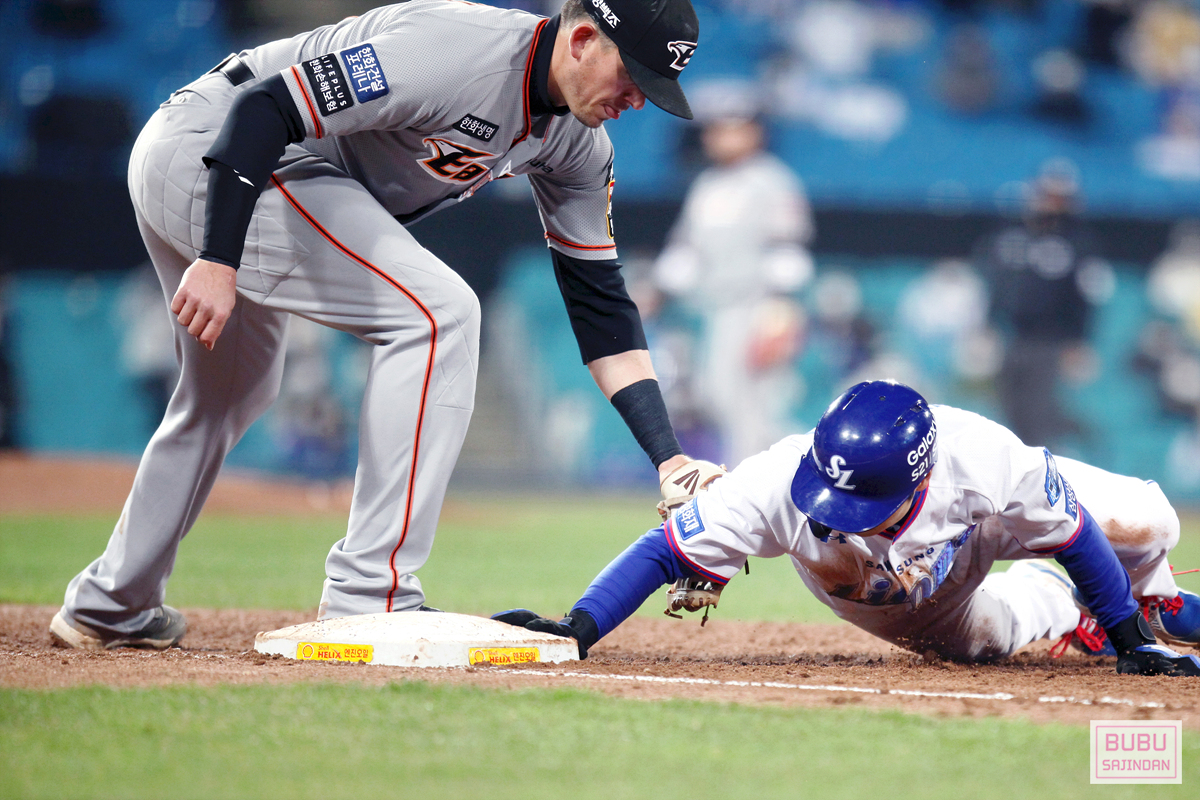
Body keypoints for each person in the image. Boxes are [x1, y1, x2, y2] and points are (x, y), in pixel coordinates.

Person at [51, 0, 705, 650]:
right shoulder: (455, 48)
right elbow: (263, 109)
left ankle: (112, 603)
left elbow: (600, 306)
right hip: (216, 150)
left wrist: (668, 458)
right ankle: (370, 595)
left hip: (245, 169)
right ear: (583, 39)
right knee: (439, 315)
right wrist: (219, 258)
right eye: (633, 76)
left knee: (228, 393)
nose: (637, 101)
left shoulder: (578, 145)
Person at [496, 380, 1200, 677]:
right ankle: (1064, 605)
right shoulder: (777, 480)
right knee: (986, 642)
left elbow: (1072, 531)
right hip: (895, 594)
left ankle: (1150, 607)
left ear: (920, 480)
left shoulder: (987, 459)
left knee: (1148, 520)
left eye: (859, 501)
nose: (833, 509)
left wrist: (1132, 642)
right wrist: (578, 628)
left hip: (981, 525)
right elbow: (663, 551)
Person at [653, 97, 813, 466]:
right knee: (721, 397)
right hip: (717, 308)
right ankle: (792, 467)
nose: (718, 137)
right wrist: (657, 290)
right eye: (715, 130)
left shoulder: (771, 180)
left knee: (752, 404)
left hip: (758, 305)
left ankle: (774, 476)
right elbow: (686, 250)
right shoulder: (708, 184)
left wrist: (779, 316)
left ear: (754, 132)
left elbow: (787, 251)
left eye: (730, 129)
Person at [974, 159, 1112, 455]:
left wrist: (1079, 340)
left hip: (1051, 340)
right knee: (1009, 407)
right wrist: (987, 325)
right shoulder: (1012, 235)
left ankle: (1045, 471)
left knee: (1038, 413)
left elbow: (1087, 294)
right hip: (1014, 336)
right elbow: (997, 284)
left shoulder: (1079, 242)